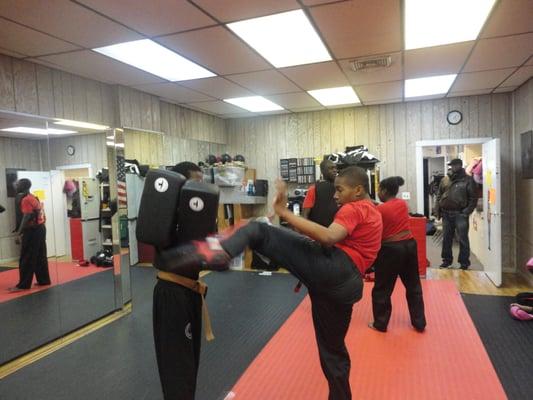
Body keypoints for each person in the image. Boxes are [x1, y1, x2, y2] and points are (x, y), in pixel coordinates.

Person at [157, 166, 383, 400]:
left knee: (257, 230)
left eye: (339, 190)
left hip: (334, 270)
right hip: (347, 286)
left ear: (358, 190)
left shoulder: (356, 208)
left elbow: (328, 237)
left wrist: (283, 212)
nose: (335, 195)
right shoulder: (374, 212)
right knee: (333, 352)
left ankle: (215, 254)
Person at [152, 161, 206, 400]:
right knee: (178, 368)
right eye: (195, 183)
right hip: (172, 294)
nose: (200, 189)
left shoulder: (193, 217)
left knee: (190, 364)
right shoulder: (166, 217)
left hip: (190, 292)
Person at [369, 176, 426, 333]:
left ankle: (380, 324)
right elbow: (385, 207)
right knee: (413, 286)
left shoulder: (380, 210)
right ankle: (419, 322)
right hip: (409, 246)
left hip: (390, 250)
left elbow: (377, 212)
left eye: (379, 190)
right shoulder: (402, 204)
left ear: (384, 191)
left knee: (382, 288)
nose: (378, 192)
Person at [9, 179, 50, 292]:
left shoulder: (26, 199)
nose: (15, 185)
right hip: (41, 229)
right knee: (40, 255)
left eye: (17, 184)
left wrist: (19, 233)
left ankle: (23, 285)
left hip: (32, 231)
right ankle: (44, 280)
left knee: (26, 257)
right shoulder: (33, 197)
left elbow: (27, 216)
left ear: (23, 186)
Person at [435, 159, 477, 269]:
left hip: (460, 214)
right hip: (446, 214)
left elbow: (473, 199)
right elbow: (439, 195)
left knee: (463, 239)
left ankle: (464, 262)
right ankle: (446, 260)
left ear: (460, 165)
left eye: (454, 165)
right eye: (451, 165)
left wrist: (466, 212)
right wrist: (437, 211)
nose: (452, 167)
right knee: (446, 238)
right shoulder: (445, 180)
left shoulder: (468, 180)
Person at [302, 159, 339, 226]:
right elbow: (305, 213)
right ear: (322, 171)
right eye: (331, 168)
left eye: (335, 168)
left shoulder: (340, 188)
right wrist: (304, 232)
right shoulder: (314, 189)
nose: (335, 170)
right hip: (318, 230)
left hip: (336, 229)